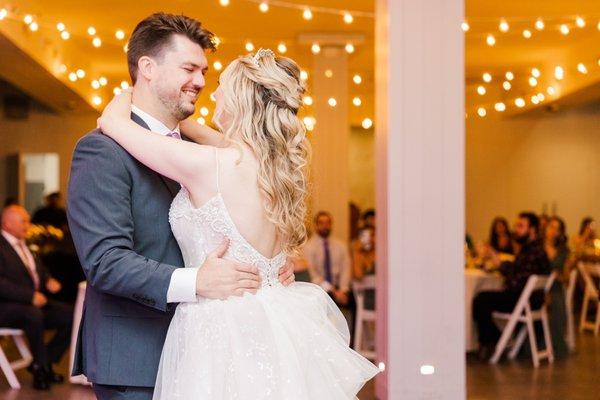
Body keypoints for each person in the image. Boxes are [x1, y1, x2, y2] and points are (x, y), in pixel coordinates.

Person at [92, 19, 378, 400]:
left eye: (219, 88)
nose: (210, 95)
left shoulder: (208, 164)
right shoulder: (272, 166)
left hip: (217, 328)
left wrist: (127, 95)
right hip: (272, 318)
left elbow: (113, 124)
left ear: (239, 102)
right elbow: (198, 134)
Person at [68, 14, 296, 400]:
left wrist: (268, 263)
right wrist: (197, 282)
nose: (202, 82)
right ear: (148, 68)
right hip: (137, 355)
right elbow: (105, 260)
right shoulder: (102, 149)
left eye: (205, 71)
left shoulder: (205, 152)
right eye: (189, 68)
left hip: (214, 351)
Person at [0, 205, 73, 390]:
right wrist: (30, 296)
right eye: (23, 221)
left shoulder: (24, 244)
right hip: (6, 307)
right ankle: (41, 369)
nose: (28, 224)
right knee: (33, 314)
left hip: (32, 304)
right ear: (7, 223)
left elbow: (35, 269)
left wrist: (47, 279)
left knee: (70, 315)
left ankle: (45, 361)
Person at [472, 212, 550, 361]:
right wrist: (501, 264)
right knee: (483, 298)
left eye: (521, 226)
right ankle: (496, 338)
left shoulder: (534, 252)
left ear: (532, 229)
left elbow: (517, 280)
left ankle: (489, 342)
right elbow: (517, 269)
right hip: (529, 300)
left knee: (481, 300)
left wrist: (501, 266)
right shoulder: (531, 249)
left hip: (523, 300)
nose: (516, 230)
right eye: (516, 226)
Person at [304, 211, 353, 309]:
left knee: (354, 300)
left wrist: (343, 290)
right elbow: (313, 274)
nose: (325, 226)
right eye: (321, 223)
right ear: (316, 225)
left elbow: (346, 269)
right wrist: (333, 291)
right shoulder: (308, 247)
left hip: (339, 288)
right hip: (319, 288)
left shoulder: (341, 246)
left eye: (328, 223)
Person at [544, 216, 569, 358]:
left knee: (556, 299)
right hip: (537, 285)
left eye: (556, 228)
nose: (552, 230)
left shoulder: (562, 250)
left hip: (554, 286)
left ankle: (556, 344)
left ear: (560, 233)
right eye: (551, 226)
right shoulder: (537, 245)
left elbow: (560, 271)